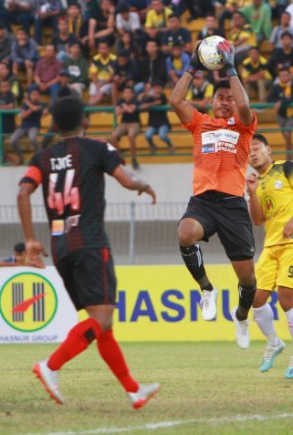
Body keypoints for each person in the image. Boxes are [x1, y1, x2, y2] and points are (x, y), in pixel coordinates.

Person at [18, 96, 159, 409]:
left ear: (54, 125)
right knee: (103, 316)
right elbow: (125, 179)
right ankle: (50, 366)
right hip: (91, 243)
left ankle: (133, 390)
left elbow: (23, 191)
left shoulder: (41, 158)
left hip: (60, 248)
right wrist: (143, 185)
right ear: (86, 122)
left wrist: (29, 239)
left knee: (102, 321)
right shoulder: (98, 148)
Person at [168, 41, 258, 349]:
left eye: (230, 98)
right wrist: (192, 66)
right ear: (211, 100)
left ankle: (242, 316)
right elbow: (175, 100)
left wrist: (232, 70)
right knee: (184, 233)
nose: (226, 102)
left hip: (233, 205)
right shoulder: (199, 122)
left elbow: (245, 108)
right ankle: (207, 290)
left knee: (247, 280)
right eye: (221, 97)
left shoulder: (243, 126)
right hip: (204, 201)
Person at [246, 133, 293, 378]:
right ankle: (274, 342)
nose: (252, 153)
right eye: (249, 151)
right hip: (271, 246)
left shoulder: (286, 168)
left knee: (286, 297)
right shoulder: (255, 181)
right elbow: (257, 219)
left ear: (268, 149)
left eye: (256, 148)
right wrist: (252, 193)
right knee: (256, 298)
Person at [267, 65, 293, 159]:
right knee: (286, 137)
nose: (284, 77)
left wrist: (281, 101)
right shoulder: (276, 86)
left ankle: (289, 155)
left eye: (286, 75)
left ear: (290, 76)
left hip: (291, 114)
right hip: (281, 114)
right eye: (282, 75)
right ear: (279, 77)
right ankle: (290, 152)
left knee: (287, 133)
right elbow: (269, 98)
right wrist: (277, 102)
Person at [9, 86, 46, 164]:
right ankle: (20, 157)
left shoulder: (42, 104)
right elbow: (23, 115)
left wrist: (28, 103)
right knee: (12, 140)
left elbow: (36, 109)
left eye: (37, 94)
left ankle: (41, 156)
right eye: (33, 94)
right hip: (23, 126)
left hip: (34, 126)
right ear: (30, 95)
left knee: (32, 139)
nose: (35, 96)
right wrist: (31, 107)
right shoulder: (24, 104)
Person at [109, 86, 142, 170]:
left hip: (134, 123)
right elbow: (117, 113)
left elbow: (131, 111)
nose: (126, 94)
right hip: (124, 123)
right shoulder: (121, 100)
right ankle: (119, 156)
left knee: (131, 136)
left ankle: (133, 158)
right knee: (113, 137)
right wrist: (126, 108)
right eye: (125, 92)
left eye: (128, 92)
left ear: (133, 94)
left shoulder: (135, 100)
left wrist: (123, 106)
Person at [140, 80, 174, 154]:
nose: (157, 90)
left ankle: (170, 145)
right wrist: (153, 103)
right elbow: (142, 106)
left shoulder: (163, 96)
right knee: (147, 135)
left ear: (162, 89)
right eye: (155, 88)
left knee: (162, 136)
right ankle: (153, 146)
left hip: (163, 123)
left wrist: (145, 94)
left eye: (159, 88)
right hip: (152, 124)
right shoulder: (150, 97)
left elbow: (159, 97)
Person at [88, 40, 117, 105]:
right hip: (97, 81)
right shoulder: (95, 58)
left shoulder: (114, 58)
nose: (103, 50)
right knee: (93, 92)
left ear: (109, 49)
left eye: (105, 48)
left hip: (108, 82)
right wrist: (97, 83)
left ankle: (89, 106)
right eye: (101, 48)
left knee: (101, 92)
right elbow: (93, 73)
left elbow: (112, 75)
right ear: (98, 49)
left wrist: (102, 84)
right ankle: (89, 107)